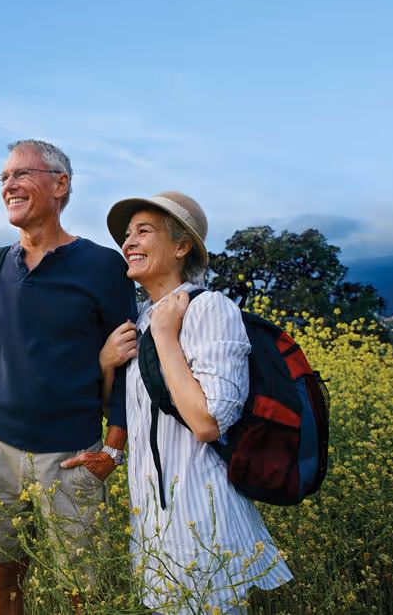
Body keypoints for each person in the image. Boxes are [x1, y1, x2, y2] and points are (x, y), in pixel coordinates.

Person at [0, 139, 137, 614]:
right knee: (3, 572)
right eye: (4, 178)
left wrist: (113, 446)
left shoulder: (102, 266)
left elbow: (128, 363)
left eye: (22, 174)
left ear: (60, 185)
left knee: (81, 586)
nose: (9, 186)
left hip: (72, 456)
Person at [100, 191, 292, 614]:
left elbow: (208, 422)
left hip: (201, 521)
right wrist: (107, 365)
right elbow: (136, 416)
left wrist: (167, 339)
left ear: (182, 246)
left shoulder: (211, 310)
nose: (128, 243)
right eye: (127, 235)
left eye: (143, 231)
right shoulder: (144, 319)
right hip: (152, 521)